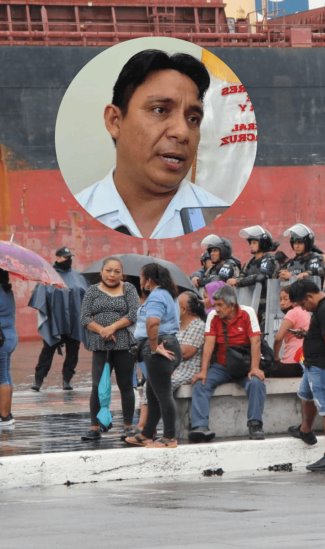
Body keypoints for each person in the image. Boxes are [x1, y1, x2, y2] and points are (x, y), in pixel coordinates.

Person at [74, 49, 228, 238]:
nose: (182, 132)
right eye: (159, 110)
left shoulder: (219, 217)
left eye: (193, 119)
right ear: (115, 121)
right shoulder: (75, 212)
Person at [188, 285, 267, 442]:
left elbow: (255, 341)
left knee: (256, 383)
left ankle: (255, 424)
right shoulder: (213, 317)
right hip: (221, 366)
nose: (216, 309)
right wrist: (203, 371)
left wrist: (255, 368)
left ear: (232, 305)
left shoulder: (247, 312)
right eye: (215, 305)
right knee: (200, 384)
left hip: (244, 366)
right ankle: (200, 426)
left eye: (220, 305)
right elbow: (209, 345)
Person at [287, 278, 325, 472]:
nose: (304, 309)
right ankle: (305, 429)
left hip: (324, 366)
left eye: (303, 304)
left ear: (309, 296)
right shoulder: (322, 307)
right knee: (305, 395)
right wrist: (307, 335)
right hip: (313, 364)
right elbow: (324, 333)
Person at [79, 257, 139, 441]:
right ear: (101, 272)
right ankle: (94, 426)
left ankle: (128, 426)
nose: (112, 275)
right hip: (100, 344)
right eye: (108, 270)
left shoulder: (129, 288)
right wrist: (102, 330)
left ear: (122, 274)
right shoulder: (91, 291)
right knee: (98, 385)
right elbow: (85, 318)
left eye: (116, 271)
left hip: (123, 344)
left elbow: (133, 313)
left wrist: (112, 328)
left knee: (125, 385)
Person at [125, 263, 182, 448]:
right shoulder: (167, 294)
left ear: (148, 279)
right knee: (153, 392)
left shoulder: (157, 296)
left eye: (141, 277)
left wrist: (153, 346)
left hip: (160, 348)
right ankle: (146, 434)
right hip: (167, 344)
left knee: (163, 395)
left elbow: (152, 323)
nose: (140, 281)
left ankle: (169, 437)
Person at [29, 247, 89, 391]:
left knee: (73, 351)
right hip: (54, 322)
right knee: (47, 351)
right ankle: (38, 380)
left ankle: (67, 380)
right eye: (65, 257)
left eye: (70, 257)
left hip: (74, 321)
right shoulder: (48, 276)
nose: (68, 260)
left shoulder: (77, 276)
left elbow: (87, 294)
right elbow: (40, 297)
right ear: (57, 257)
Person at [231, 225, 280, 318]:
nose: (251, 245)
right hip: (250, 303)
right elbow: (241, 276)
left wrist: (239, 281)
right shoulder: (249, 262)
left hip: (266, 304)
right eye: (250, 243)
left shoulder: (268, 259)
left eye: (254, 243)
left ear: (262, 243)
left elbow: (260, 277)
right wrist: (236, 280)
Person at [171, 291, 207, 391]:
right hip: (173, 369)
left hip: (187, 371)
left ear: (183, 310)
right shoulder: (175, 325)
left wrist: (165, 346)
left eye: (176, 305)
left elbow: (185, 353)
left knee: (159, 385)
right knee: (149, 385)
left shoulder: (198, 325)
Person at [271, 288, 310, 377]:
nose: (282, 303)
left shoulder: (292, 313)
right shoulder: (305, 312)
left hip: (291, 363)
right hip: (304, 362)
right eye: (280, 299)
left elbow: (278, 338)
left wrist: (276, 357)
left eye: (286, 299)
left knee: (266, 369)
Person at [0, 270, 17, 426]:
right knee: (5, 373)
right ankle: (7, 413)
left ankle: (4, 416)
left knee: (1, 377)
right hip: (10, 336)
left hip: (1, 339)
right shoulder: (7, 289)